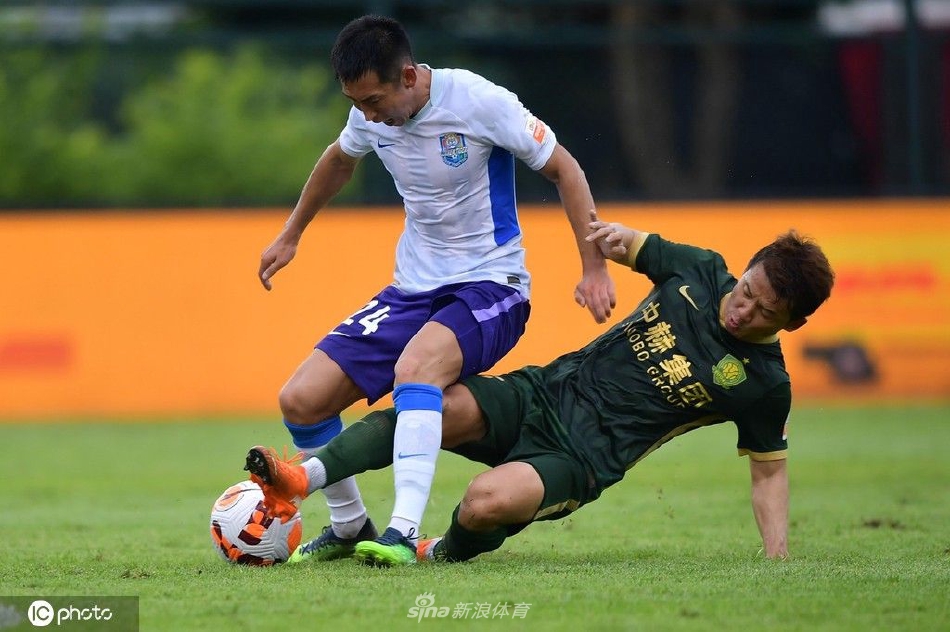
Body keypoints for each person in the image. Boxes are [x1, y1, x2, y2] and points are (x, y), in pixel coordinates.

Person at [251, 212, 835, 565]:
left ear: (792, 323)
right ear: (746, 269)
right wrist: (600, 256)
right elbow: (619, 239)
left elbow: (769, 472)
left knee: (483, 503)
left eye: (765, 311)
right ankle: (303, 478)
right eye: (747, 289)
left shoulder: (765, 384)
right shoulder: (701, 270)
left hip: (581, 458)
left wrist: (777, 557)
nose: (743, 309)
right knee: (432, 406)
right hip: (542, 393)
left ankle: (442, 549)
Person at [244, 15, 616, 567]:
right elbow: (339, 160)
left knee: (416, 369)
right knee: (300, 399)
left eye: (373, 101)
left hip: (492, 286)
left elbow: (565, 169)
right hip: (412, 290)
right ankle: (349, 526)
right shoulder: (369, 114)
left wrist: (594, 267)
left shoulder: (479, 101)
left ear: (409, 76)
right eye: (356, 103)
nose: (367, 115)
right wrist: (291, 233)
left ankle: (401, 531)